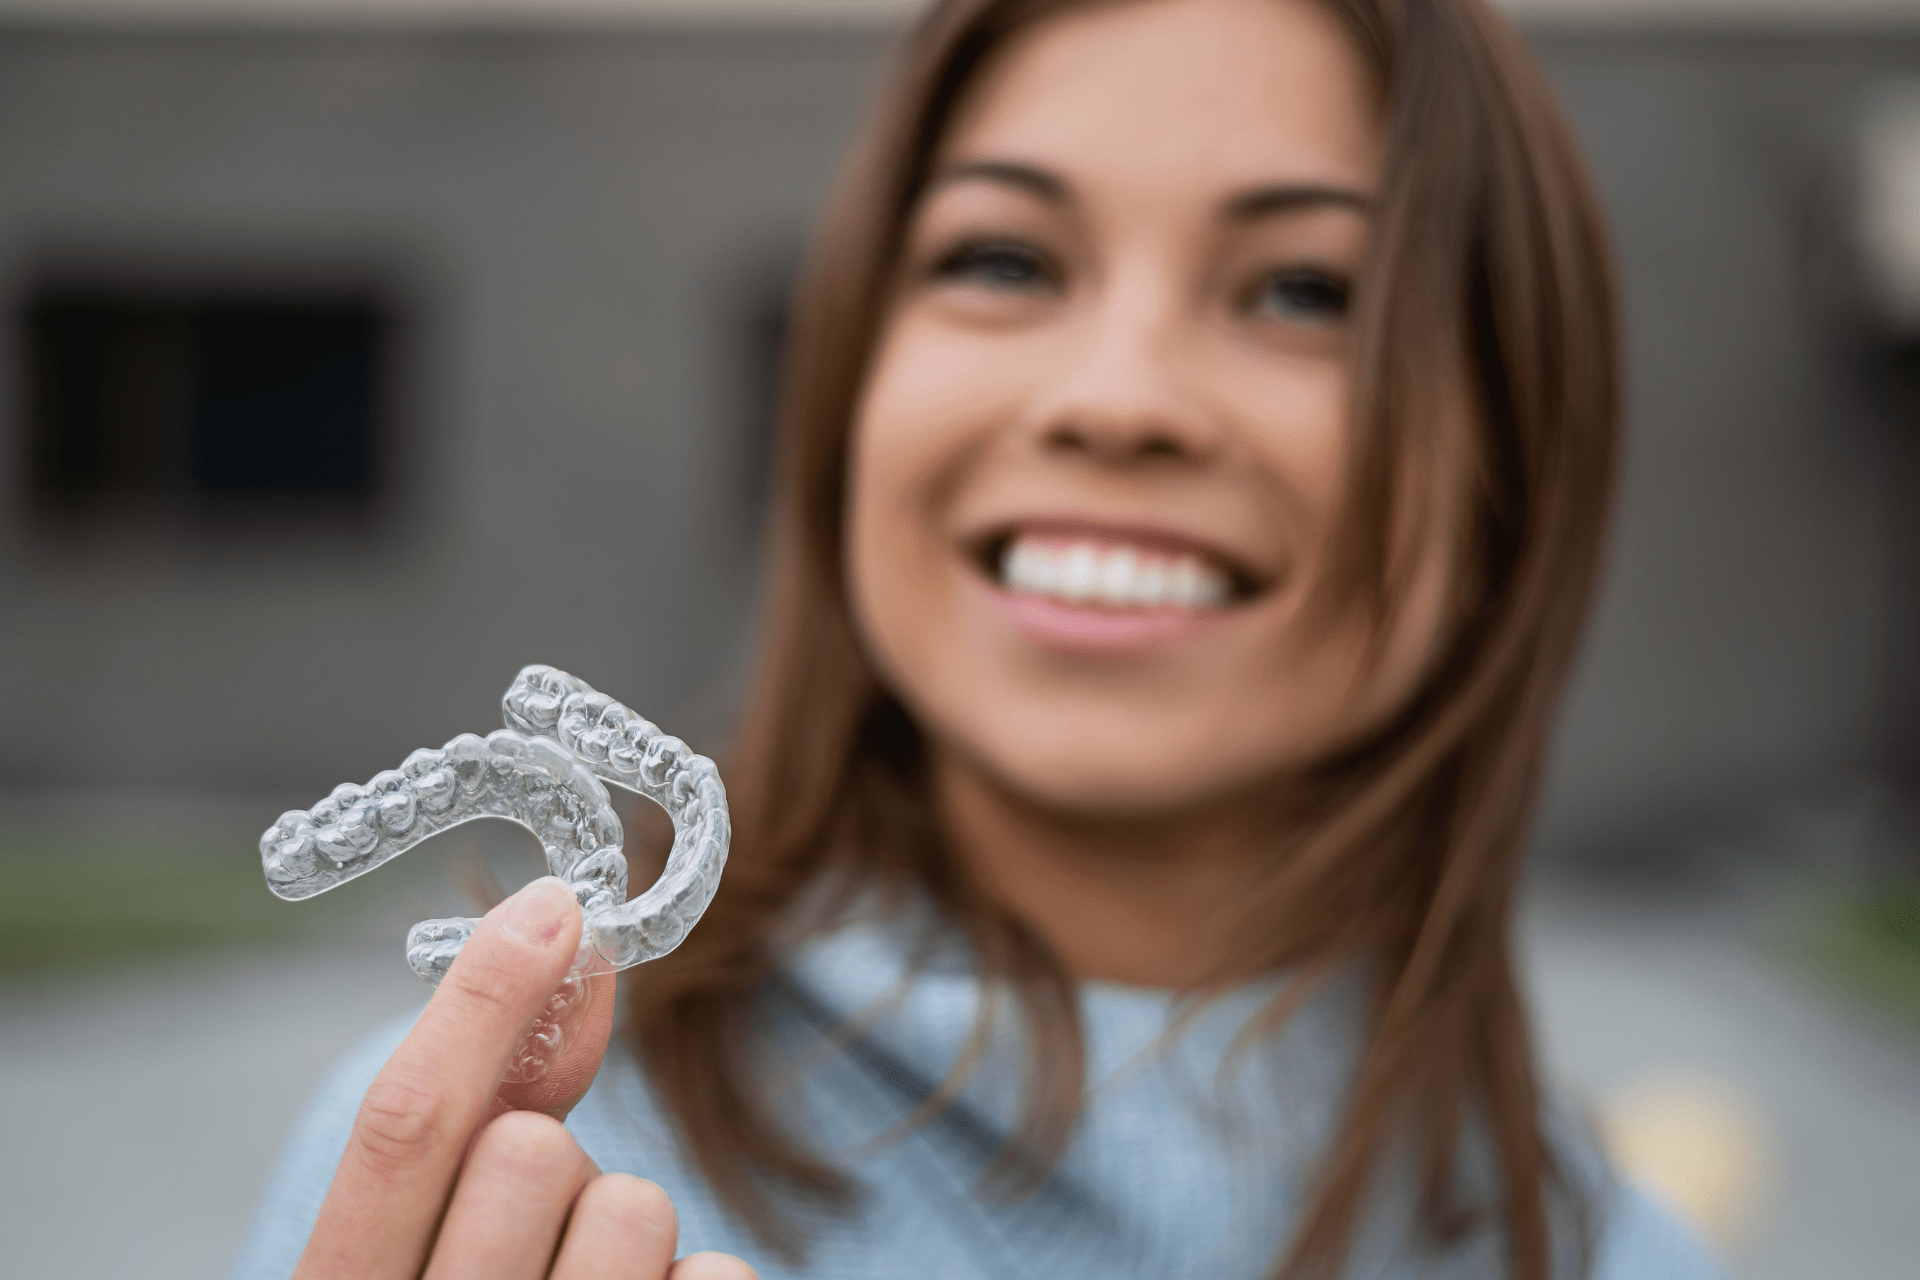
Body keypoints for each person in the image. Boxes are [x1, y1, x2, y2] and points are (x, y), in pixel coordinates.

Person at [233, 1, 1727, 1277]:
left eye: (1305, 290)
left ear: (1511, 472)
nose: (1116, 396)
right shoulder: (478, 1182)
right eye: (1004, 260)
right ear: (847, 397)